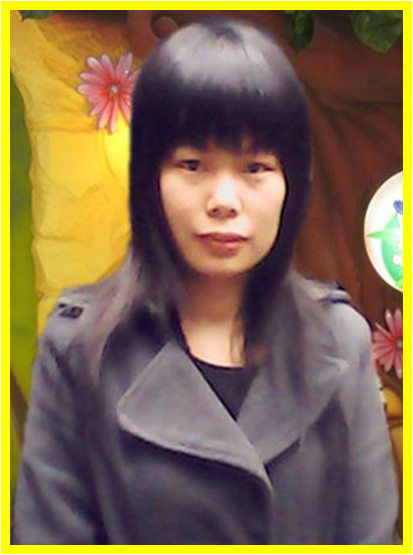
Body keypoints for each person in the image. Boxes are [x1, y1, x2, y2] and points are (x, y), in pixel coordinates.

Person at [13, 17, 398, 545]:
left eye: (255, 167)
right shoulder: (79, 348)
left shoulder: (340, 340)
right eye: (192, 164)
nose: (223, 200)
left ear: (292, 183)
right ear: (149, 178)